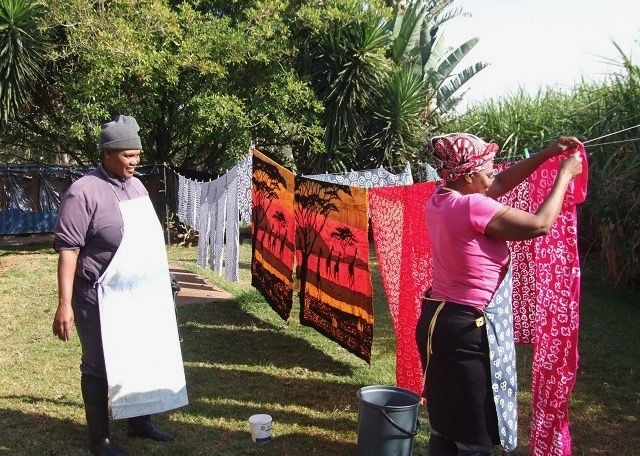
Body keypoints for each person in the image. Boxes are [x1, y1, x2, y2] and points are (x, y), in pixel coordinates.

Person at [416, 133, 583, 456]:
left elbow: (496, 184)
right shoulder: (472, 207)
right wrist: (564, 175)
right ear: (468, 175)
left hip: (438, 324)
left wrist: (547, 154)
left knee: (445, 426)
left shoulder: (441, 198)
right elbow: (538, 225)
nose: (493, 172)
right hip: (467, 332)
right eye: (487, 167)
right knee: (473, 438)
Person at [52, 115, 183, 456]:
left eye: (137, 155)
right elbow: (68, 251)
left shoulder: (136, 187)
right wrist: (64, 304)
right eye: (128, 155)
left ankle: (139, 422)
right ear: (107, 153)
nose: (135, 162)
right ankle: (100, 441)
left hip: (135, 293)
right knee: (98, 364)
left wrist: (161, 280)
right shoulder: (83, 192)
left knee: (137, 356)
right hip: (96, 296)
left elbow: (146, 241)